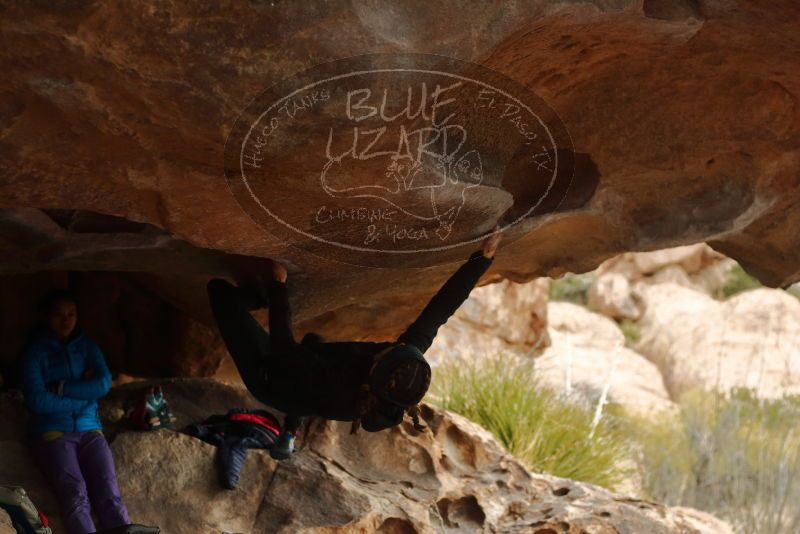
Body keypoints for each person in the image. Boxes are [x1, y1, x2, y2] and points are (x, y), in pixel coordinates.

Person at [207, 227, 502, 455]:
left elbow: (283, 350)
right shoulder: (401, 362)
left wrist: (277, 288)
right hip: (311, 383)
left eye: (384, 353)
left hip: (272, 380)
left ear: (374, 373)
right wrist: (481, 260)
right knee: (314, 343)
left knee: (219, 292)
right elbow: (441, 308)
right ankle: (293, 424)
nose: (390, 345)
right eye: (397, 347)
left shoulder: (335, 386)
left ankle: (289, 428)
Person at [18, 290, 160, 534]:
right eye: (58, 315)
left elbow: (103, 384)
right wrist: (83, 398)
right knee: (75, 495)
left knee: (110, 494)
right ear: (46, 317)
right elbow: (37, 400)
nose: (65, 321)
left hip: (89, 428)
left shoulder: (86, 345)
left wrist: (62, 388)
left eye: (71, 314)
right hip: (53, 432)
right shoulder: (34, 351)